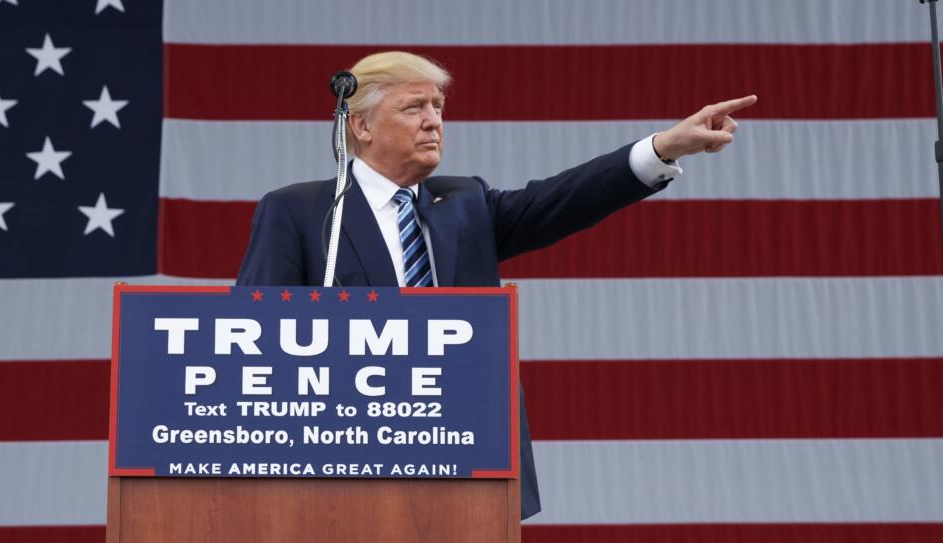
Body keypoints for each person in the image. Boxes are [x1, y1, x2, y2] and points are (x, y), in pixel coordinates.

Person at [237, 51, 755, 519]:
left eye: (438, 107)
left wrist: (662, 147)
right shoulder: (301, 212)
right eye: (414, 107)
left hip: (468, 452)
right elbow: (253, 339)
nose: (434, 121)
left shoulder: (465, 203)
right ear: (362, 126)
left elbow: (563, 199)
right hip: (347, 464)